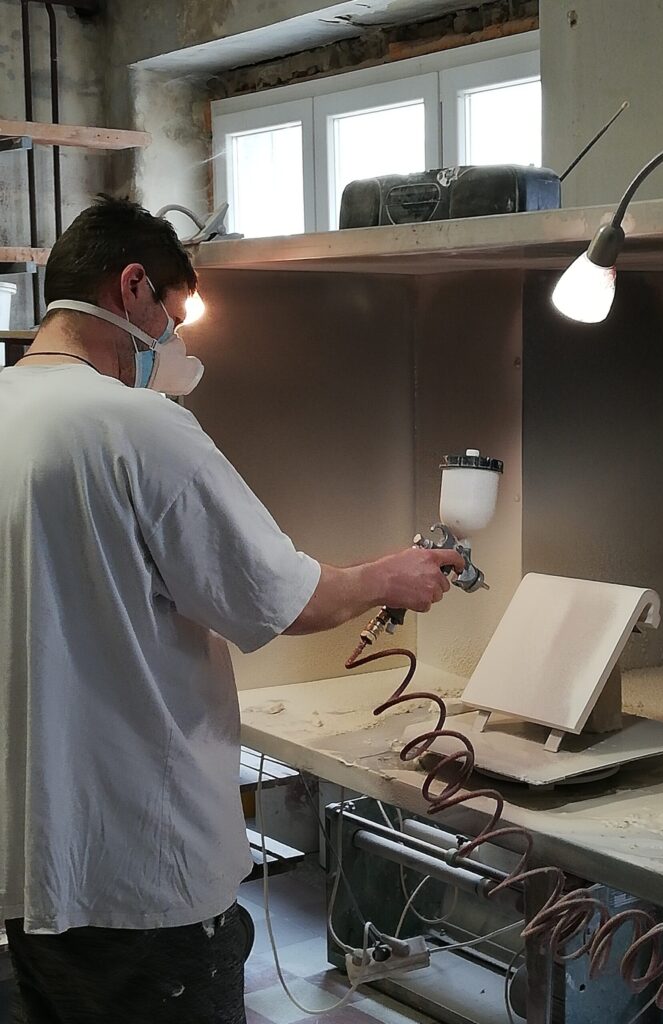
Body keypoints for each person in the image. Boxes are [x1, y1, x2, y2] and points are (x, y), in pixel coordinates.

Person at [0, 195, 463, 1024]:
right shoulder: (139, 427)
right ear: (131, 286)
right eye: (173, 319)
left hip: (29, 870)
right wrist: (389, 577)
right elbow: (280, 596)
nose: (173, 344)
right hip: (144, 872)